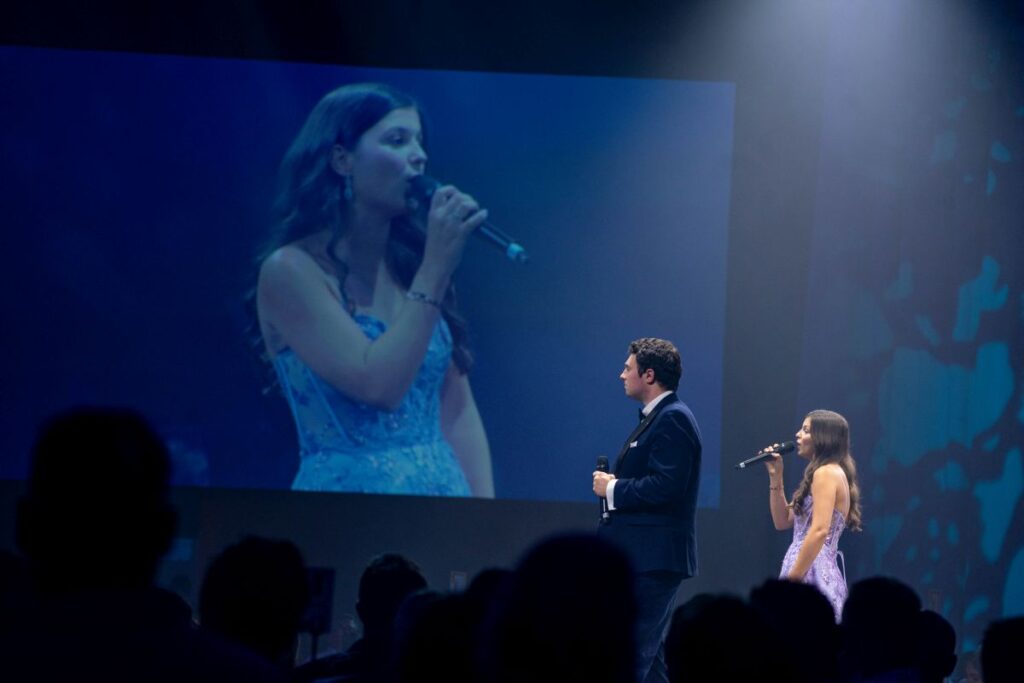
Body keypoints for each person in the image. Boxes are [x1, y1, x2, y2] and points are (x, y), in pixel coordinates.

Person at [255, 83, 494, 497]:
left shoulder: (412, 269)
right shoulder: (290, 271)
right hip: (351, 512)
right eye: (397, 140)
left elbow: (457, 412)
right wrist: (436, 267)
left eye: (419, 142)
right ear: (341, 159)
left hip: (445, 506)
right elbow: (377, 386)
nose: (418, 155)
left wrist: (485, 521)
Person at [592, 338, 702, 683]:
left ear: (649, 375)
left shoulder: (674, 419)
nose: (621, 374)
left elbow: (667, 486)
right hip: (644, 558)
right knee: (649, 664)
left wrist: (613, 488)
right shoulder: (658, 418)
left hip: (653, 561)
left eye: (628, 368)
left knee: (632, 658)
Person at [764, 409, 861, 621]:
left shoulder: (825, 473)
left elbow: (819, 531)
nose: (798, 435)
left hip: (812, 569)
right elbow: (782, 521)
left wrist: (791, 582)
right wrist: (776, 477)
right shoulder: (825, 472)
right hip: (808, 564)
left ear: (823, 437)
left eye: (806, 430)